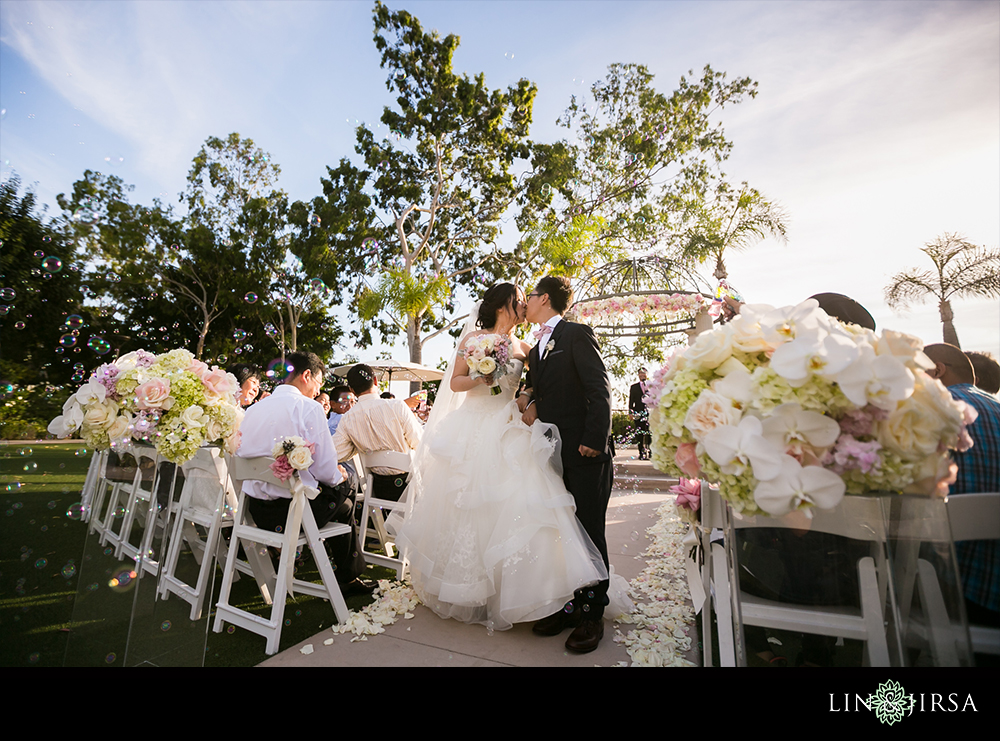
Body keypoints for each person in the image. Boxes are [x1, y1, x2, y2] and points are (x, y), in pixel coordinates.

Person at [394, 282, 608, 639]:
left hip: (508, 426)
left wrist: (526, 395)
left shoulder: (528, 348)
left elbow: (540, 386)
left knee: (525, 505)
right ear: (502, 305)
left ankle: (560, 600)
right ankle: (477, 591)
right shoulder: (474, 339)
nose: (523, 306)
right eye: (517, 301)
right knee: (468, 508)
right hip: (473, 428)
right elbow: (456, 382)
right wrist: (482, 373)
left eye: (527, 300)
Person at [520, 275, 614, 652]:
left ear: (543, 299)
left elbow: (599, 386)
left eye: (528, 296)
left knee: (590, 531)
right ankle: (570, 603)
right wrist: (527, 398)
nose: (524, 302)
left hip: (584, 452)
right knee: (564, 532)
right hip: (553, 454)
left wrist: (595, 438)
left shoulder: (576, 334)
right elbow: (533, 386)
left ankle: (592, 614)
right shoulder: (534, 349)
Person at [237, 351, 372, 596]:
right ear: (307, 375)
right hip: (292, 514)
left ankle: (346, 573)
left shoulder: (254, 410)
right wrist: (340, 474)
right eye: (318, 383)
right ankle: (347, 576)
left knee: (343, 502)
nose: (317, 390)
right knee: (348, 485)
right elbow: (326, 471)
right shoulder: (308, 408)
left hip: (256, 511)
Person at [923, 343, 1000, 633]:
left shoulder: (932, 406)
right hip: (989, 591)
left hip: (948, 585)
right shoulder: (996, 407)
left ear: (937, 370)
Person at [334, 364, 422, 502]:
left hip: (378, 489)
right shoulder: (397, 406)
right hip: (408, 488)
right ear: (375, 380)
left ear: (351, 390)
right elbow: (419, 443)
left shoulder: (347, 419)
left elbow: (337, 452)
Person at [629, 368, 651, 460]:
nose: (642, 375)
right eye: (640, 373)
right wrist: (630, 412)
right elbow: (631, 401)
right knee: (640, 434)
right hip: (638, 413)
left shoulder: (651, 386)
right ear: (638, 375)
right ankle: (641, 452)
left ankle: (650, 451)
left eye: (644, 373)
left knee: (650, 433)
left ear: (647, 374)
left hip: (649, 413)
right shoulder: (634, 387)